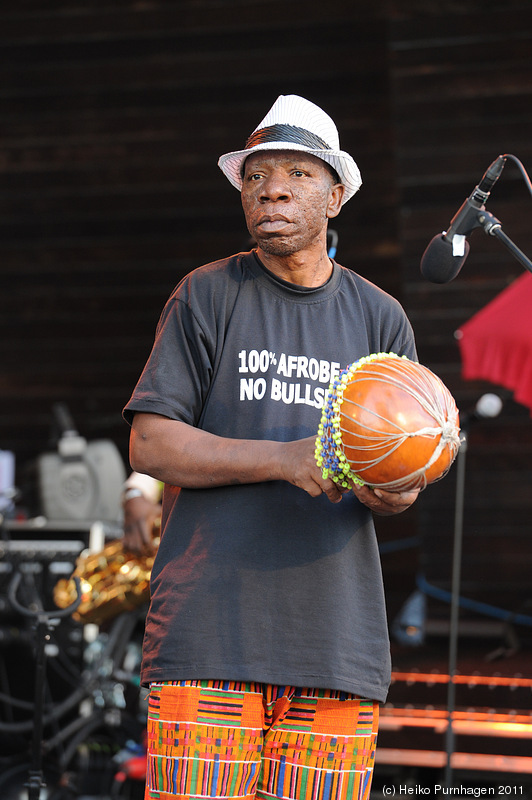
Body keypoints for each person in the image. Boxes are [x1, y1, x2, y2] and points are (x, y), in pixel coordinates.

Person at [123, 94, 419, 800]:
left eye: (297, 173)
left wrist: (401, 483)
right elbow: (150, 442)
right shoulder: (206, 294)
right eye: (255, 177)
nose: (272, 188)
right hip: (210, 634)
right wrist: (287, 459)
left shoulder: (381, 317)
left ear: (336, 196)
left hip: (335, 646)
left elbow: (400, 488)